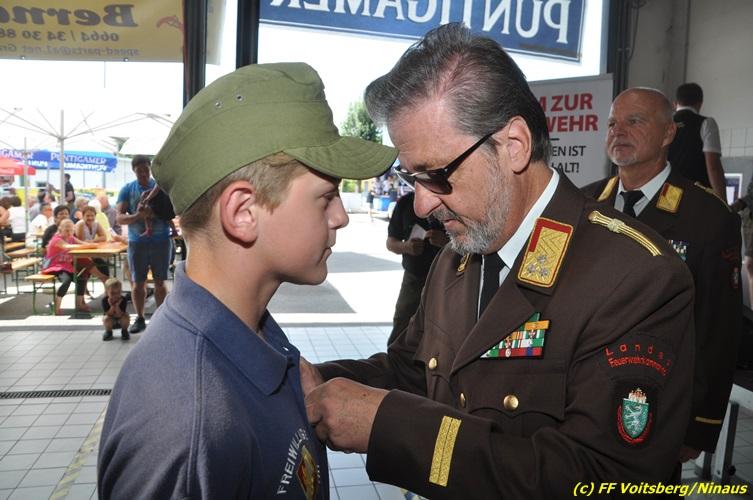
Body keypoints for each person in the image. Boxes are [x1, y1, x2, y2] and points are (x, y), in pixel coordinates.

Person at [301, 24, 695, 498]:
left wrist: (392, 427)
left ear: (514, 146)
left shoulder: (635, 277)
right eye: (411, 178)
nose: (422, 205)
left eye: (437, 175)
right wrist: (322, 381)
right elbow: (413, 371)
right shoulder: (457, 256)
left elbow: (603, 479)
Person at [97, 62, 397, 499]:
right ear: (242, 213)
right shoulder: (188, 427)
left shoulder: (248, 330)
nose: (341, 217)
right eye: (326, 197)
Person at [582, 87, 742, 464]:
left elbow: (717, 330)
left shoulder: (707, 217)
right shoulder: (584, 206)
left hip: (656, 406)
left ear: (669, 133)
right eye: (612, 123)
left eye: (634, 121)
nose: (618, 132)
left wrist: (699, 425)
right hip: (582, 403)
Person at [116, 155, 172, 334]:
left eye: (146, 170)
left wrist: (156, 215)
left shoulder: (161, 187)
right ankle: (140, 318)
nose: (143, 174)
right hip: (137, 242)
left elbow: (171, 212)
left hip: (161, 241)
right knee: (138, 283)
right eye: (139, 171)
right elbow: (119, 218)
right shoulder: (127, 189)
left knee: (160, 282)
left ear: (150, 169)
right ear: (134, 171)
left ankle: (160, 319)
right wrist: (137, 216)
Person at [386, 190, 447, 344]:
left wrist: (447, 243)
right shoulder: (406, 203)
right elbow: (391, 243)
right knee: (403, 323)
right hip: (414, 279)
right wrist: (406, 247)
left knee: (442, 327)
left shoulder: (450, 200)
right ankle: (395, 357)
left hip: (448, 279)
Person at [667, 82, 726, 200]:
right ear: (700, 103)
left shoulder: (665, 124)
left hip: (668, 192)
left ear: (675, 104)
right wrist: (722, 201)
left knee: (666, 212)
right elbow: (713, 166)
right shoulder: (706, 123)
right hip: (696, 193)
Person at [41, 219, 107, 314]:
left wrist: (93, 245)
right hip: (54, 267)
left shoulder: (71, 238)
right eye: (66, 230)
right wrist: (89, 246)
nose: (69, 233)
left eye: (71, 230)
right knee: (66, 280)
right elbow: (68, 247)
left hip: (66, 266)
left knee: (81, 278)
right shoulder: (56, 239)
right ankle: (57, 305)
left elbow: (83, 243)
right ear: (60, 229)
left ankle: (79, 305)